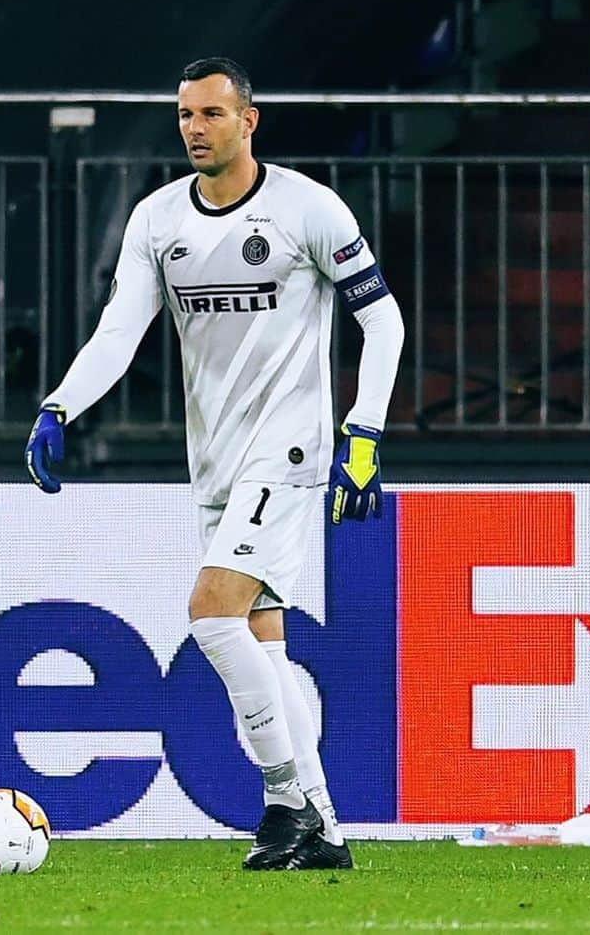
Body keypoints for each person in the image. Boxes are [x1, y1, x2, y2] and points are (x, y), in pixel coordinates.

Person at [26, 57, 404, 870]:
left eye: (211, 114)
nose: (195, 128)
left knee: (210, 614)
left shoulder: (309, 208)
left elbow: (384, 321)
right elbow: (119, 330)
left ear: (249, 120)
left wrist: (363, 436)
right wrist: (61, 405)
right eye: (185, 117)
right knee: (263, 649)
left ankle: (283, 803)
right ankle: (328, 831)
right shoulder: (159, 220)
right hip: (217, 460)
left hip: (291, 448)